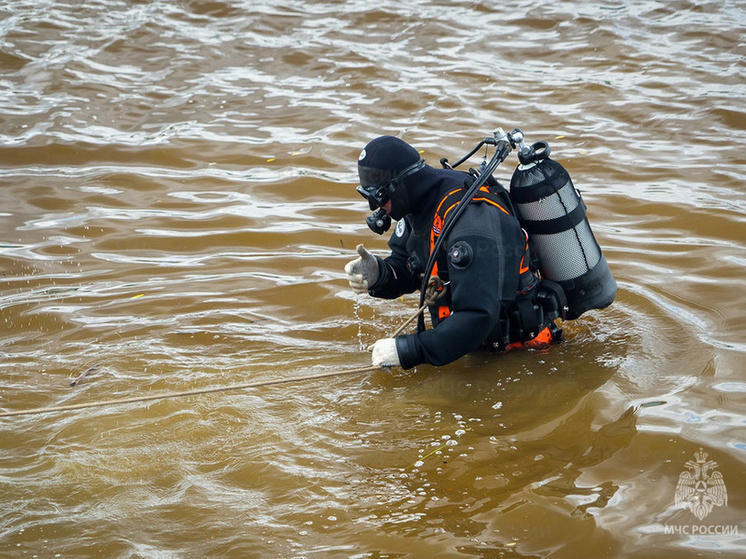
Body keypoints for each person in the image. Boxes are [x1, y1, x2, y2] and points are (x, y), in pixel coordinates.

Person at [345, 135, 564, 370]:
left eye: (378, 197)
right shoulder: (418, 201)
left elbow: (478, 316)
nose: (375, 208)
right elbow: (411, 265)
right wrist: (380, 274)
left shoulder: (470, 224)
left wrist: (409, 350)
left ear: (400, 185)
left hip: (525, 355)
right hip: (473, 346)